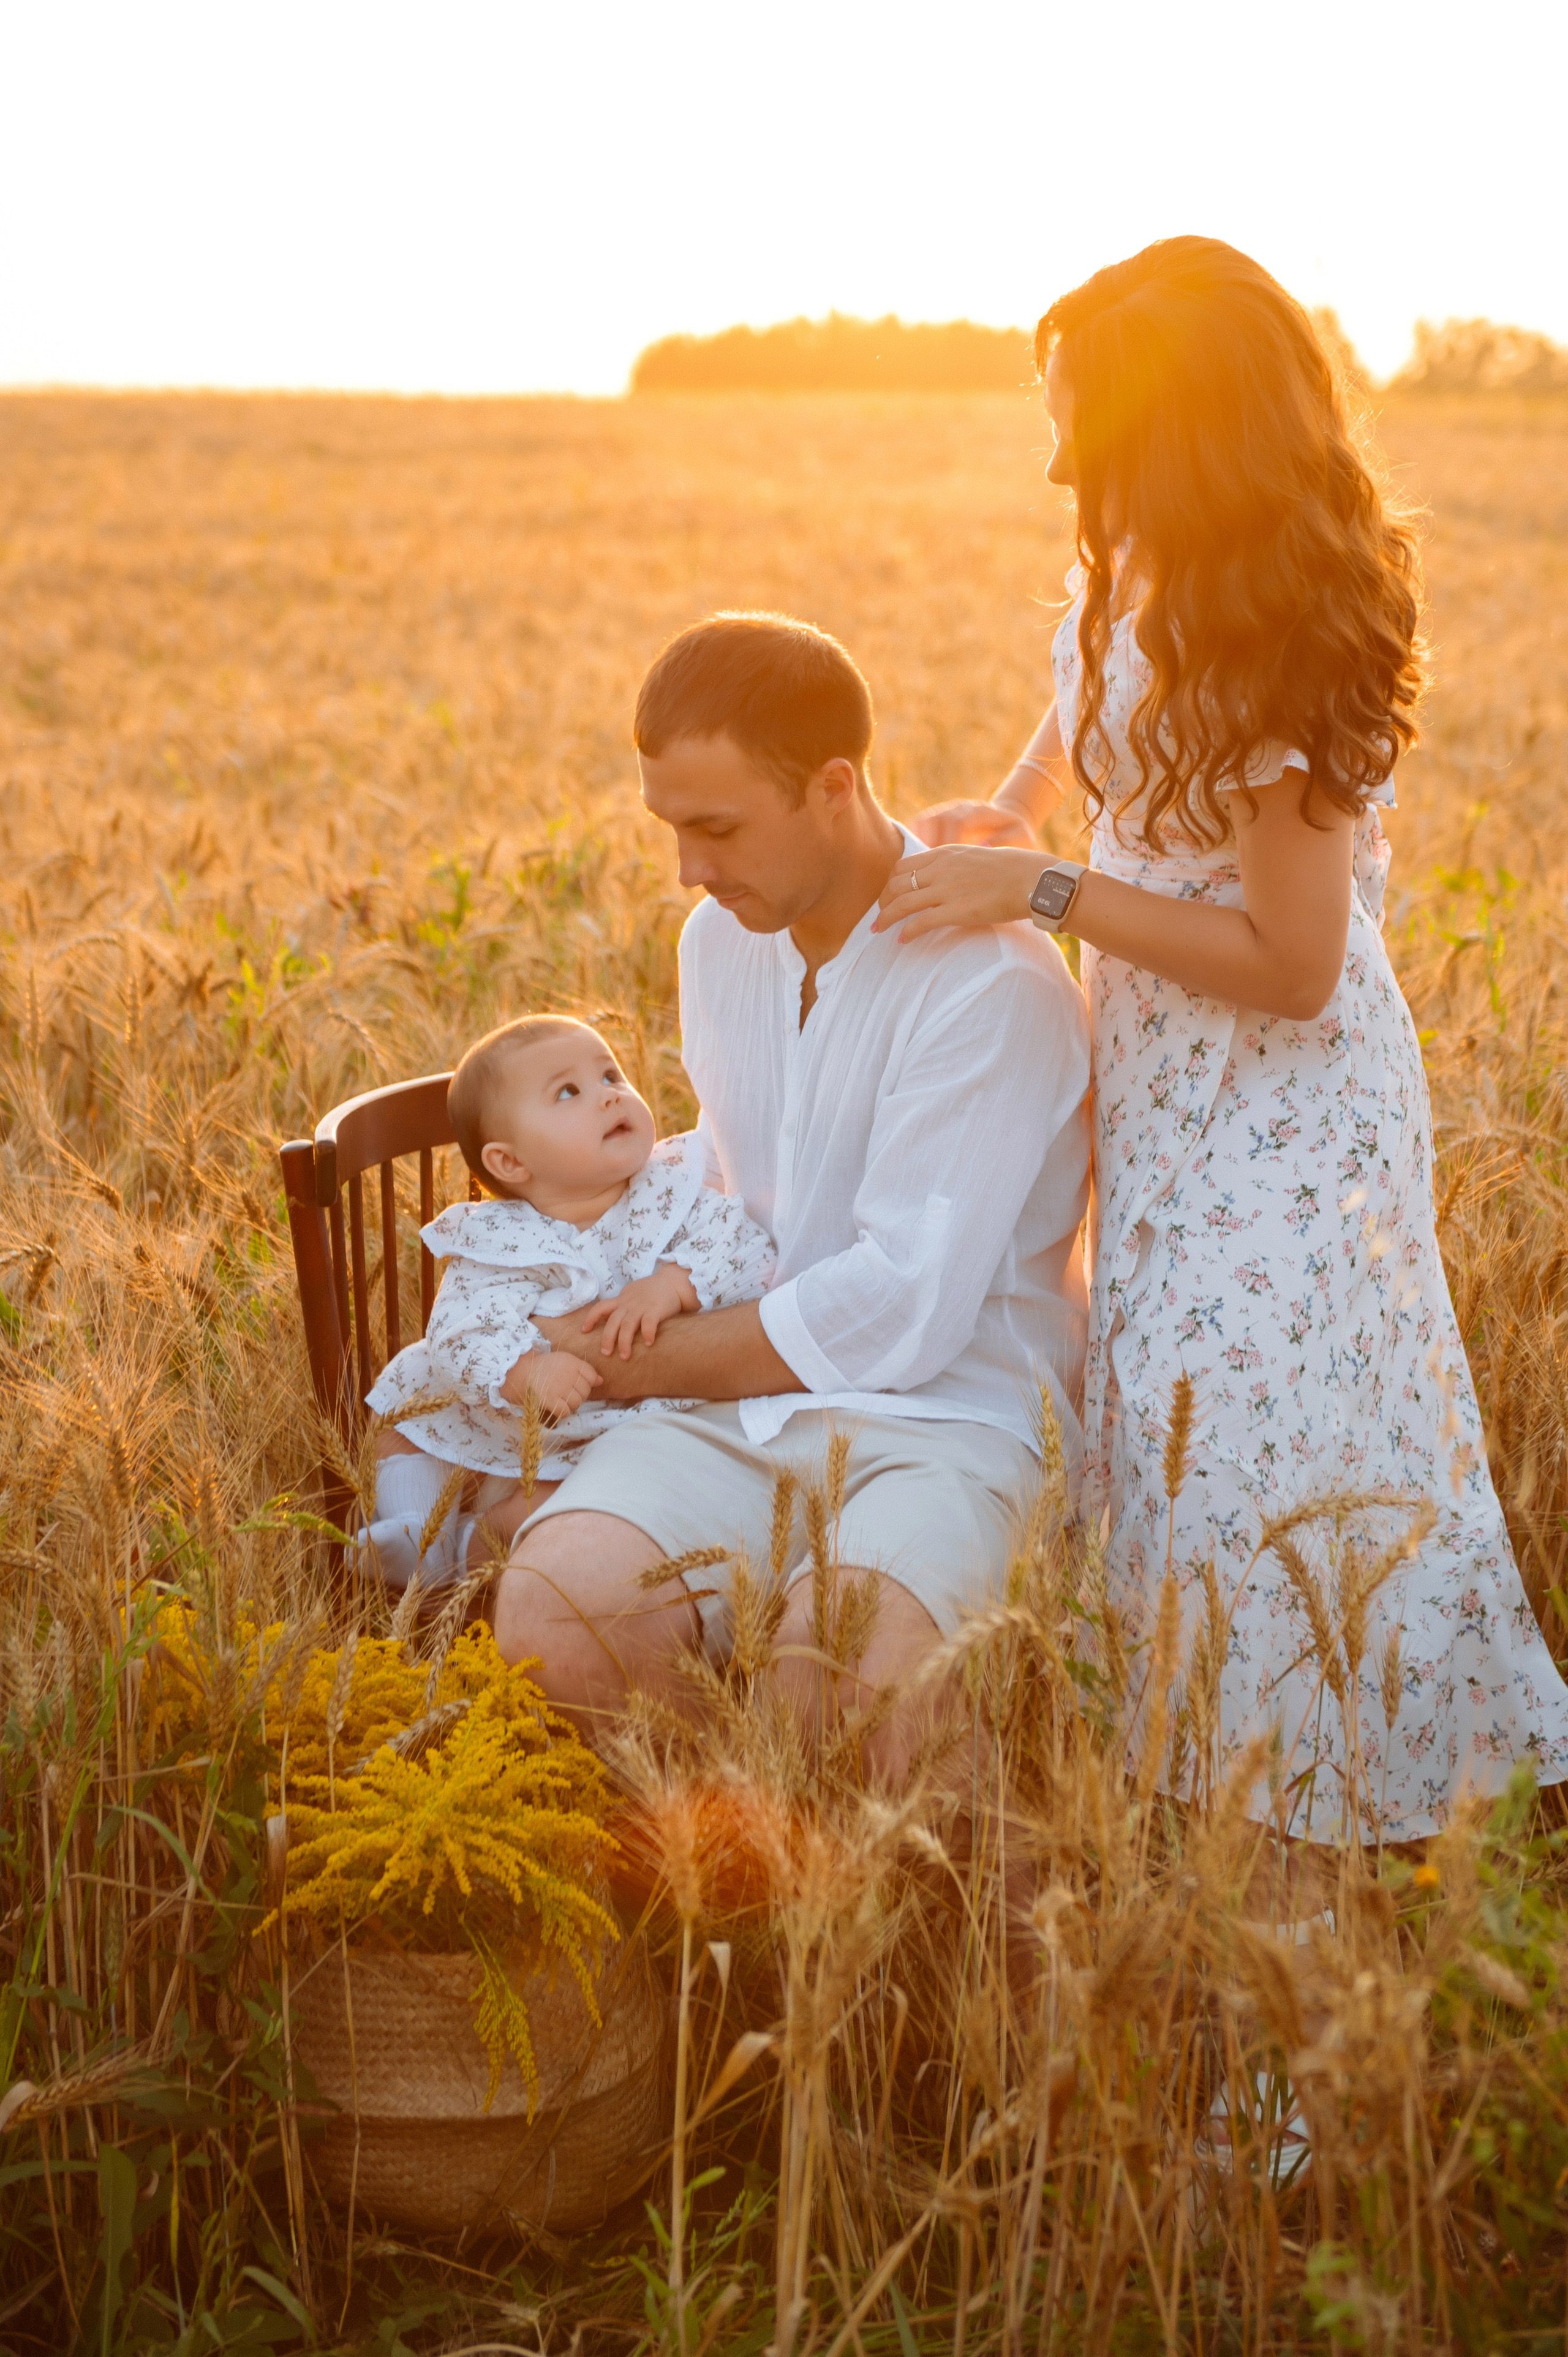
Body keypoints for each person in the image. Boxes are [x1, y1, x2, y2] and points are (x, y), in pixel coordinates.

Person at [876, 236, 1568, 1839]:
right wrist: (1019, 808)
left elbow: (1299, 963)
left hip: (1283, 1114)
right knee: (1175, 1464)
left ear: (1168, 434)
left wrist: (1045, 885)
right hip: (1163, 1087)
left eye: (1077, 425)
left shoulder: (1280, 633)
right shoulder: (1129, 562)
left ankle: (1336, 1849)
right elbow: (1081, 714)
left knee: (1270, 1467)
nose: (1053, 458)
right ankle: (1219, 1845)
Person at [487, 613, 1092, 1778]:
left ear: (832, 786)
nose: (690, 873)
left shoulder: (992, 981)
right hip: (735, 1410)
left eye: (717, 829)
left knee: (846, 1676)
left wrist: (609, 1367)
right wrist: (533, 1304)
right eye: (672, 829)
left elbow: (901, 1306)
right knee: (557, 1618)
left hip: (948, 1420)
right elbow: (731, 1169)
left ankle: (880, 1920)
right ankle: (737, 1893)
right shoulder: (719, 941)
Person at [358, 1014, 774, 1587]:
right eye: (569, 1092)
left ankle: (465, 1551)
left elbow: (748, 1250)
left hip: (622, 1432)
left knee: (555, 1513)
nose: (608, 1097)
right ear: (511, 1163)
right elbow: (463, 1328)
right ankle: (413, 1532)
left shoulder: (670, 1190)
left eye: (611, 1076)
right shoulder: (500, 1238)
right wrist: (525, 1369)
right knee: (408, 1402)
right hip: (511, 1418)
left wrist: (672, 1285)